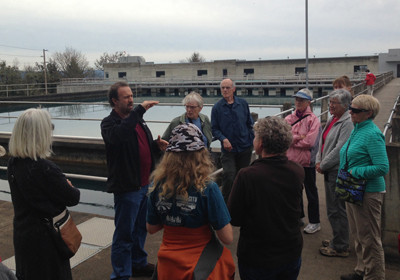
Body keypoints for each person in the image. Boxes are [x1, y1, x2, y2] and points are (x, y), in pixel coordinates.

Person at [147, 123, 235, 280]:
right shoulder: (208, 188)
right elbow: (227, 238)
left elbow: (152, 228)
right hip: (200, 266)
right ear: (201, 154)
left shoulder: (157, 185)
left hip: (168, 264)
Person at [101, 81, 168, 280]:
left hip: (144, 185)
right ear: (114, 101)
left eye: (131, 96)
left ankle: (137, 263)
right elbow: (119, 137)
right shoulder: (109, 123)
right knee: (124, 234)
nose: (131, 100)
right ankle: (121, 274)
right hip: (127, 188)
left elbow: (141, 145)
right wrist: (139, 111)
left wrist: (156, 146)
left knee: (140, 229)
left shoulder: (136, 120)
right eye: (126, 97)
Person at [7, 108, 80, 280]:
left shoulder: (13, 163)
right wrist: (68, 185)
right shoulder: (45, 168)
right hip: (47, 241)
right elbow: (73, 197)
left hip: (23, 234)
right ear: (40, 134)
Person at [228, 117, 304, 280]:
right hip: (291, 251)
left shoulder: (247, 175)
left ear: (260, 142)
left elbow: (234, 218)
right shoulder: (297, 170)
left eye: (255, 136)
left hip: (257, 256)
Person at [340, 95, 389, 280]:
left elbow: (382, 167)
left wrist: (356, 171)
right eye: (350, 108)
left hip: (368, 192)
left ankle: (374, 276)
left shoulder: (372, 133)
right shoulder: (357, 129)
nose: (350, 112)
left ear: (368, 113)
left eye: (355, 110)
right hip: (353, 189)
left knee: (370, 239)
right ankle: (362, 270)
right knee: (358, 235)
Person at [316, 89, 353, 257]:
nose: (330, 106)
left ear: (345, 105)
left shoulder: (347, 123)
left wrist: (323, 164)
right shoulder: (333, 118)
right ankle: (337, 238)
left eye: (334, 103)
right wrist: (318, 159)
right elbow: (322, 140)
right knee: (333, 207)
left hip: (336, 170)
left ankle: (340, 245)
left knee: (337, 209)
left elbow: (340, 148)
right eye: (330, 102)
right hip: (328, 167)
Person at [285, 88, 322, 234]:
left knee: (311, 191)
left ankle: (315, 221)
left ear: (309, 102)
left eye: (302, 100)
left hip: (307, 162)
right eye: (297, 99)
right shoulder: (288, 118)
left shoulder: (314, 120)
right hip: (292, 161)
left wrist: (292, 139)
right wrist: (298, 137)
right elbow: (284, 137)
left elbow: (310, 142)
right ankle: (298, 217)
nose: (298, 102)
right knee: (294, 191)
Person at [211, 78, 254, 202]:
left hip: (245, 146)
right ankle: (226, 205)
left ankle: (241, 203)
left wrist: (253, 139)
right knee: (229, 175)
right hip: (228, 149)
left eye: (227, 87)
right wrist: (223, 139)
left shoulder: (243, 104)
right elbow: (214, 129)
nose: (225, 90)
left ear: (233, 89)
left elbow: (249, 124)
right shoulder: (217, 108)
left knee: (243, 176)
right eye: (223, 88)